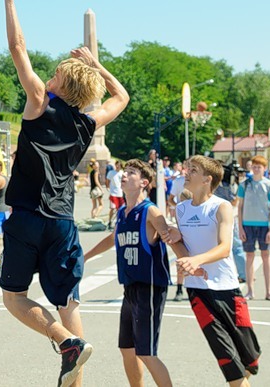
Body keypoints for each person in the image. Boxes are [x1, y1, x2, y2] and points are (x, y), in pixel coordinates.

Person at [1, 0, 130, 387]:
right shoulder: (89, 123)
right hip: (62, 221)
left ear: (60, 83)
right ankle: (74, 366)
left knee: (14, 298)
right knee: (69, 303)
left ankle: (63, 342)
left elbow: (18, 46)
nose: (49, 74)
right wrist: (99, 65)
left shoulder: (39, 102)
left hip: (26, 217)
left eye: (55, 72)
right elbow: (122, 97)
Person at [84, 159, 193, 387]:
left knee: (146, 352)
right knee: (127, 349)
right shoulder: (123, 212)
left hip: (150, 286)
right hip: (130, 287)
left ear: (144, 182)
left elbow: (170, 239)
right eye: (124, 171)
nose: (124, 175)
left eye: (131, 173)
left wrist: (191, 262)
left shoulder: (150, 211)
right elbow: (112, 238)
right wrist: (85, 257)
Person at [169, 156, 261, 386]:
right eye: (187, 168)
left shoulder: (221, 206)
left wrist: (196, 260)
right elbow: (181, 245)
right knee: (226, 356)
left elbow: (224, 247)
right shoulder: (181, 209)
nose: (186, 172)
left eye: (193, 170)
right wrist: (176, 244)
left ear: (207, 179)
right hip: (198, 291)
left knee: (250, 359)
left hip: (227, 288)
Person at [237, 155, 270, 301]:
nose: (256, 169)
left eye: (259, 167)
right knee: (249, 256)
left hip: (264, 225)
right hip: (248, 225)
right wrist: (240, 228)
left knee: (266, 256)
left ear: (264, 168)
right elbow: (240, 206)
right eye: (254, 166)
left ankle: (269, 291)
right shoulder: (244, 184)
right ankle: (250, 291)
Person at [105, 160, 124, 231]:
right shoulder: (111, 172)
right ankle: (110, 222)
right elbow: (107, 180)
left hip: (120, 193)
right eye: (117, 165)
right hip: (113, 193)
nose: (118, 166)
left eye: (119, 165)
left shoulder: (122, 173)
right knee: (112, 208)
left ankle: (118, 222)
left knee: (120, 209)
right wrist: (107, 187)